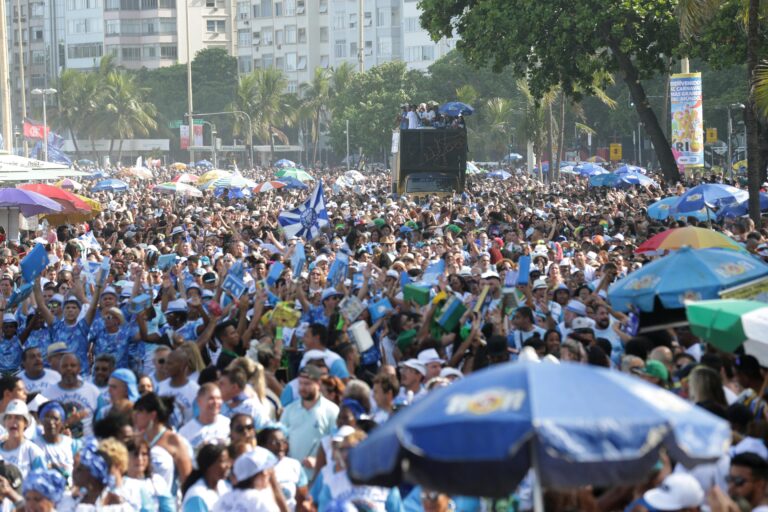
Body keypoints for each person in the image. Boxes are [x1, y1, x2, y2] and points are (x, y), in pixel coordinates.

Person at [132, 392, 192, 494]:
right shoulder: (137, 439)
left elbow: (186, 480)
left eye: (140, 411)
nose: (135, 415)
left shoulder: (175, 441)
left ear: (152, 415)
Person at [280, 365, 339, 470]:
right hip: (294, 474)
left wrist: (319, 461)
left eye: (307, 384)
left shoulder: (332, 411)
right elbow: (281, 438)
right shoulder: (289, 410)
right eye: (300, 383)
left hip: (320, 474)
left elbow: (337, 444)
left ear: (319, 384)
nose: (302, 388)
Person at [213, 447, 288, 512]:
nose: (268, 475)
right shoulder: (260, 501)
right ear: (261, 474)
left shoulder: (224, 499)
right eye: (267, 471)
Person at [45, 353, 100, 438]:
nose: (69, 368)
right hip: (59, 442)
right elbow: (42, 425)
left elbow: (103, 421)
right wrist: (68, 422)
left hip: (88, 442)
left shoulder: (93, 391)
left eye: (73, 365)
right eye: (65, 366)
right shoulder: (47, 394)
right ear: (59, 369)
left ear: (79, 368)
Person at [257, 427, 311, 512]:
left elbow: (303, 496)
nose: (281, 445)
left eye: (283, 441)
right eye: (275, 442)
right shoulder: (256, 468)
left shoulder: (294, 465)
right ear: (263, 445)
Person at [32, 401, 80, 481]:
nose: (51, 422)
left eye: (55, 419)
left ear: (62, 422)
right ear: (41, 421)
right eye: (47, 418)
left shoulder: (72, 444)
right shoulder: (34, 444)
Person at [124, 438, 175, 512]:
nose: (140, 459)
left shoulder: (156, 481)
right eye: (135, 454)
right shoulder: (120, 484)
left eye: (144, 454)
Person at [155, 348, 200, 429]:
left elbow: (198, 419)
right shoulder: (160, 387)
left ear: (182, 366)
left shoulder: (196, 390)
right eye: (166, 363)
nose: (165, 366)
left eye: (170, 363)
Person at [181, 442, 232, 512]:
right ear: (209, 465)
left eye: (228, 461)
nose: (228, 465)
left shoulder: (226, 486)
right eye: (223, 461)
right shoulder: (197, 496)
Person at [0, 399, 45, 477]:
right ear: (5, 422)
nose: (13, 421)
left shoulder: (34, 452)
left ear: (25, 423)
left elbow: (42, 480)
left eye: (17, 418)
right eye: (9, 417)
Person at [178, 383, 230, 448]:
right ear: (199, 401)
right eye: (211, 398)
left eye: (218, 398)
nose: (216, 402)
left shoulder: (228, 424)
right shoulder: (184, 432)